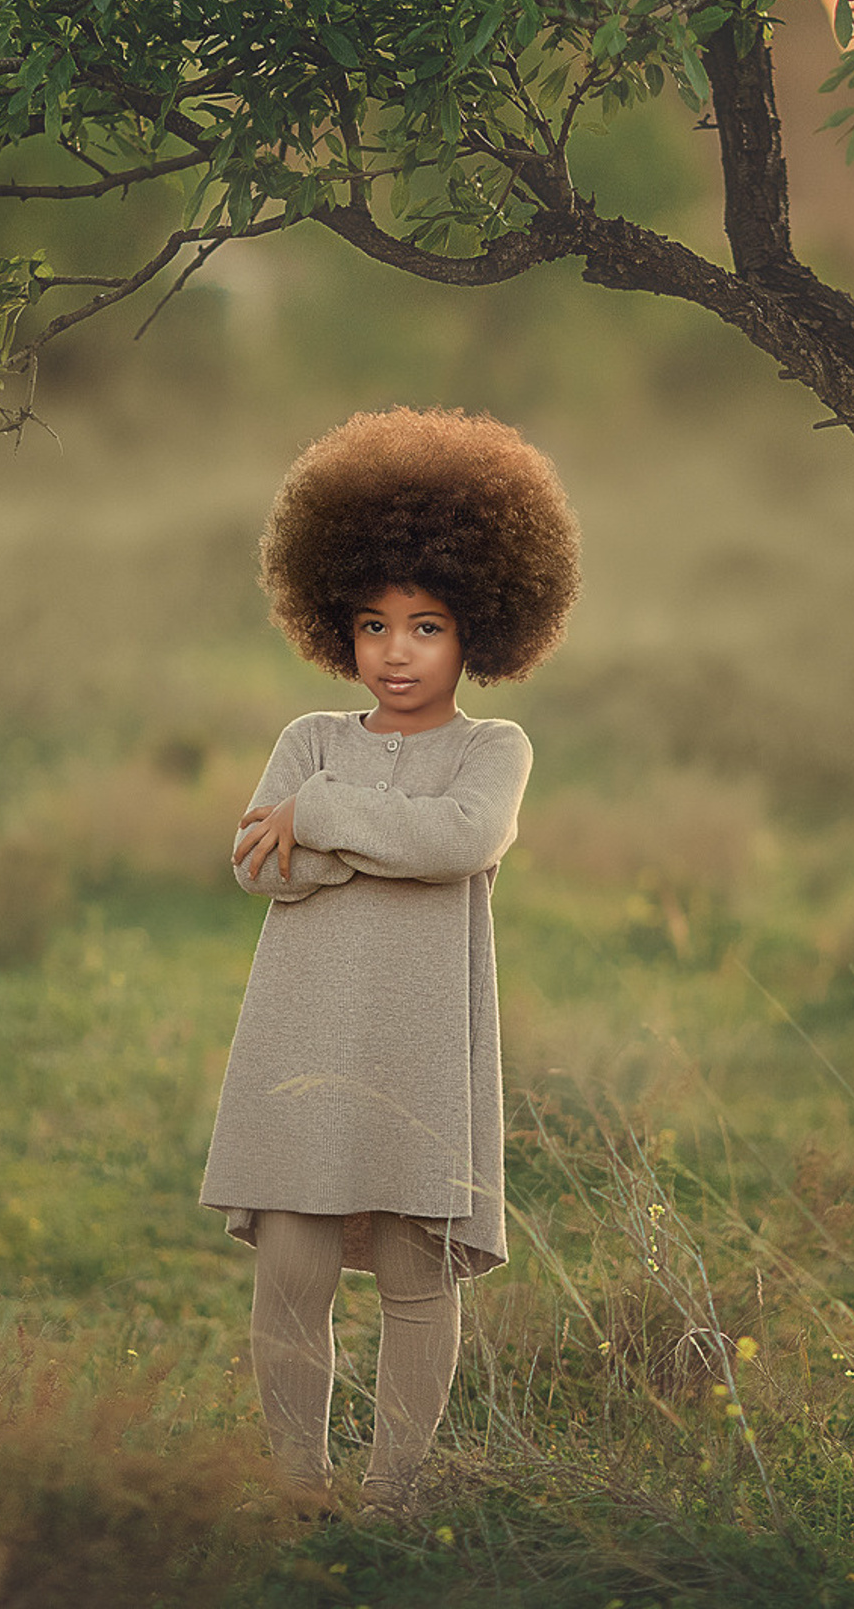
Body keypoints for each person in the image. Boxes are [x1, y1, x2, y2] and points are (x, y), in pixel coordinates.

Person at [200, 406, 581, 1515]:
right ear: (337, 626)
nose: (396, 652)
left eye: (426, 626)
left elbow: (459, 842)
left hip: (420, 1057)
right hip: (302, 1043)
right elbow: (256, 869)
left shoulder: (490, 751)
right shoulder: (313, 737)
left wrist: (321, 822)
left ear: (481, 631)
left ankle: (396, 1495)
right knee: (293, 1276)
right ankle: (296, 1487)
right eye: (373, 625)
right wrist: (352, 845)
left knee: (419, 1280)